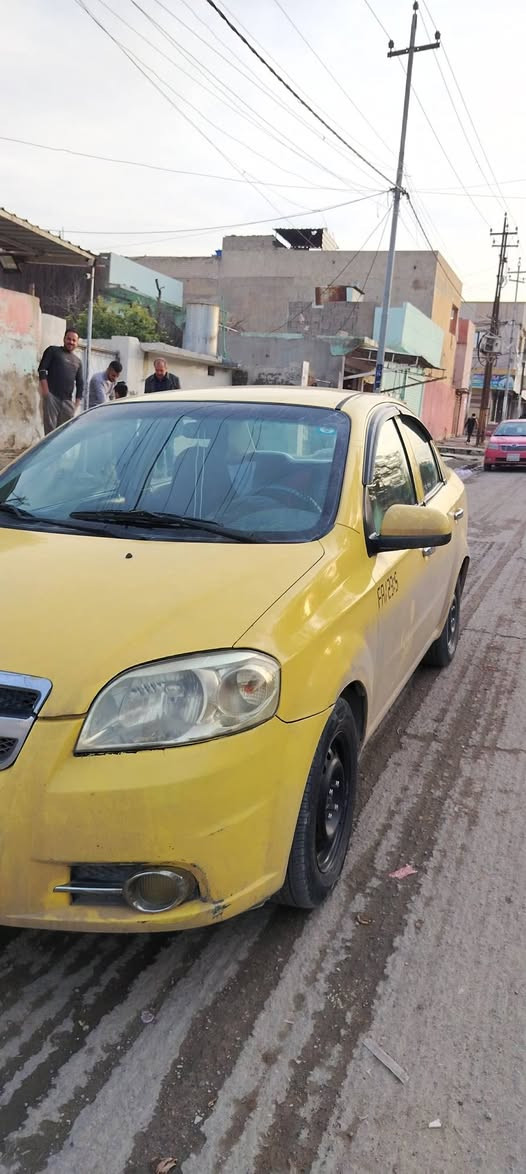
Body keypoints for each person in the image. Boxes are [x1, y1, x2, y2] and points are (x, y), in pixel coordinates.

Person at [38, 328, 84, 435]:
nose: (71, 342)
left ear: (77, 343)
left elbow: (80, 383)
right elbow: (42, 370)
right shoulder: (53, 351)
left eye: (74, 340)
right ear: (64, 339)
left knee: (64, 434)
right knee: (50, 432)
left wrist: (76, 405)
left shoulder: (78, 362)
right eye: (69, 339)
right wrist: (46, 393)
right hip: (52, 397)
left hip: (67, 402)